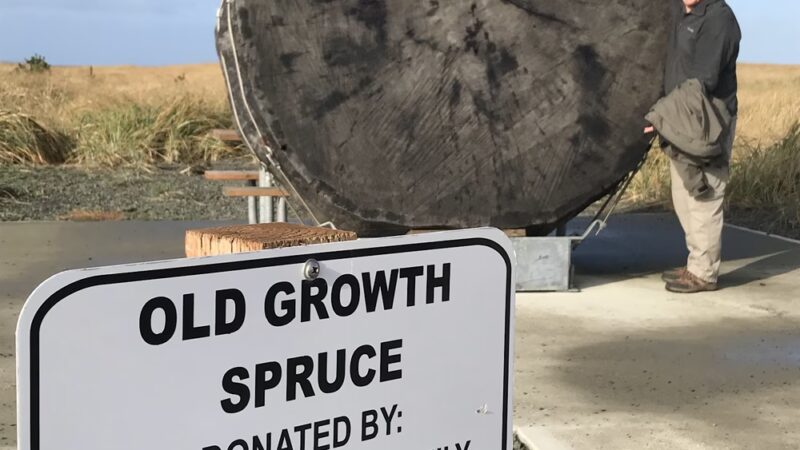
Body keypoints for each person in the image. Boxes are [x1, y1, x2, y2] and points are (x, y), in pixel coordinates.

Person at [645, 0, 741, 293]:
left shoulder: (719, 20)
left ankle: (704, 272)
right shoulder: (680, 9)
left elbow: (705, 79)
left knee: (705, 192)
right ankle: (696, 261)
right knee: (683, 192)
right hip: (681, 113)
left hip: (707, 117)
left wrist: (661, 114)